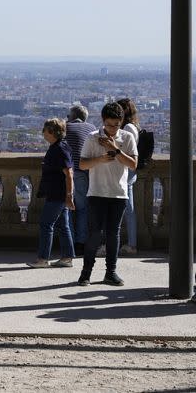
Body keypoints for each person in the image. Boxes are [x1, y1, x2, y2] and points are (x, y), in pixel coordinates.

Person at [78, 102, 138, 287]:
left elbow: (133, 164)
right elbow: (82, 165)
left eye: (116, 125)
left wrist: (115, 150)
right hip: (96, 192)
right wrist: (101, 159)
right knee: (95, 233)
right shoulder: (92, 138)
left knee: (113, 234)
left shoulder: (127, 137)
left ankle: (110, 272)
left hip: (118, 193)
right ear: (103, 122)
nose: (113, 129)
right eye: (110, 125)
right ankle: (86, 272)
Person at [28, 118, 76, 268]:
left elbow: (69, 173)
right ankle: (67, 257)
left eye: (45, 130)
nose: (43, 133)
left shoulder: (59, 149)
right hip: (58, 193)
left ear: (52, 132)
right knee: (63, 225)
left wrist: (69, 196)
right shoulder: (60, 146)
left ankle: (43, 259)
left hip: (57, 194)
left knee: (46, 224)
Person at [65, 104, 97, 256]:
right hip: (85, 171)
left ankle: (69, 242)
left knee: (68, 208)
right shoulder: (92, 128)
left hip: (69, 171)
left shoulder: (65, 127)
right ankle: (81, 242)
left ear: (72, 117)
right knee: (83, 208)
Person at [116, 98, 140, 255]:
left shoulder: (129, 128)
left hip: (127, 169)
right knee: (128, 208)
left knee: (128, 209)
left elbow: (128, 150)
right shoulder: (132, 126)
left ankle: (132, 244)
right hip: (127, 169)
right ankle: (131, 243)